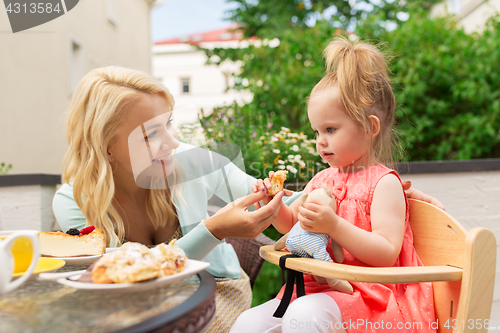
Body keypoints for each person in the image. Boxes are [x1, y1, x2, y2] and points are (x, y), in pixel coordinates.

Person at [52, 66, 286, 333]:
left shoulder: (192, 161)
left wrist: (317, 194)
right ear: (106, 147)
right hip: (128, 303)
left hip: (216, 287)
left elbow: (279, 200)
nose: (173, 143)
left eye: (169, 123)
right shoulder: (74, 201)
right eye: (151, 134)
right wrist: (213, 230)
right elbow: (111, 284)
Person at [231, 37, 437, 333]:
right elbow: (293, 228)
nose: (321, 141)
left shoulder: (383, 184)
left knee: (304, 315)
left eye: (330, 129)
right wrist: (273, 206)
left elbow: (386, 252)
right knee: (247, 323)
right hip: (319, 288)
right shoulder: (323, 179)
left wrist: (334, 225)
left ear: (370, 127)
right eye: (317, 131)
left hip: (370, 295)